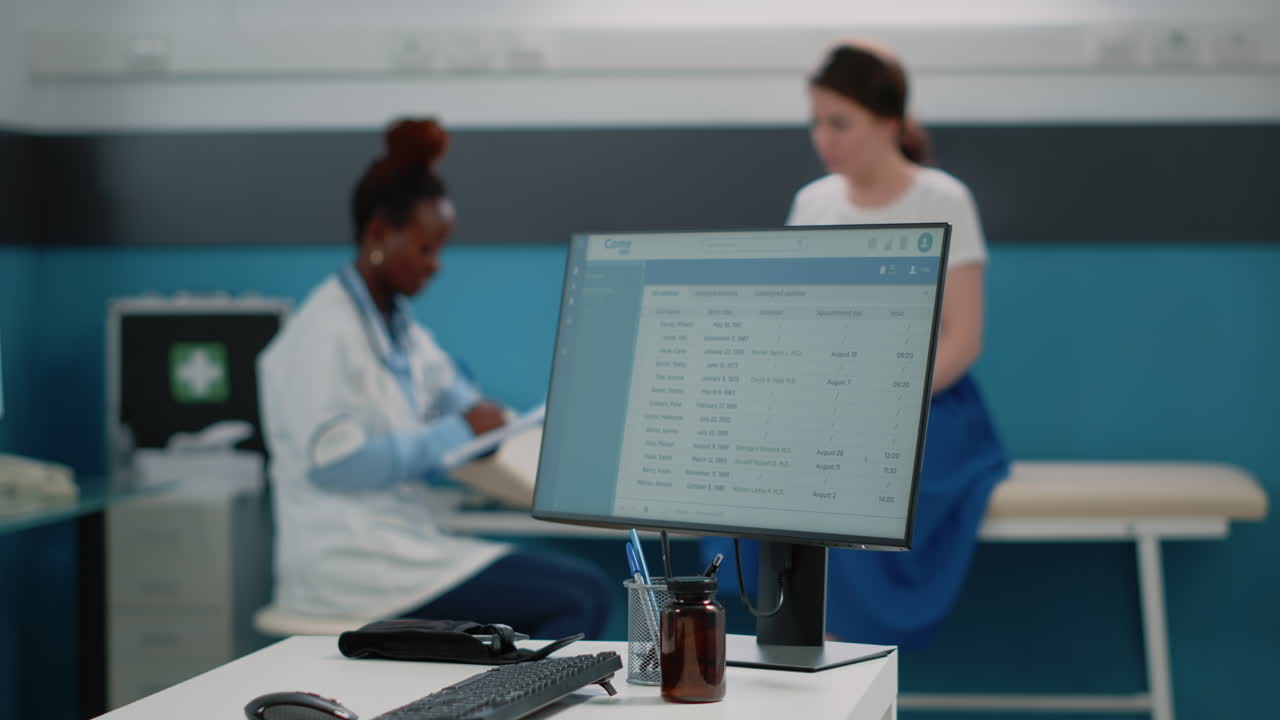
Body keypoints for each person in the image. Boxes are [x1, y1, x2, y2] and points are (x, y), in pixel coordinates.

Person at [703, 42, 1009, 649]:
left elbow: (963, 339)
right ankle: (799, 644)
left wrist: (883, 402)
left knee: (857, 482)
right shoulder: (814, 202)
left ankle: (848, 655)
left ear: (888, 122)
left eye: (840, 123)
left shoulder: (942, 199)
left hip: (928, 406)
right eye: (816, 122)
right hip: (824, 403)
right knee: (761, 470)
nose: (824, 138)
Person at [257, 118, 610, 640]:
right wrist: (459, 432)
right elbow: (336, 465)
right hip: (350, 565)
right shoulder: (323, 332)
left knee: (581, 590)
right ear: (378, 234)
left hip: (400, 548)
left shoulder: (399, 330)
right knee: (580, 596)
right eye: (426, 248)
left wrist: (492, 427)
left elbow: (457, 395)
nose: (436, 265)